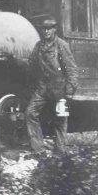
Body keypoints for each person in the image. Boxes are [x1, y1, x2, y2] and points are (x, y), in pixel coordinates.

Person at [25, 15, 79, 153]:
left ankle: (61, 153)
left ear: (54, 29)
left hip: (59, 89)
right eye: (44, 29)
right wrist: (14, 60)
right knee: (30, 113)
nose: (46, 32)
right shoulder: (39, 46)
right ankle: (38, 149)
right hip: (43, 88)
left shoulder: (62, 46)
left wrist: (69, 91)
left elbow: (72, 69)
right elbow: (30, 65)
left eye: (49, 29)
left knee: (61, 120)